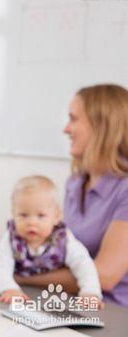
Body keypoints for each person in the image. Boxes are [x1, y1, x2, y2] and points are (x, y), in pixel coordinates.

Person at [12, 84, 128, 308]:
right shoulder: (75, 182)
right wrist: (16, 254)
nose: (66, 129)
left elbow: (104, 277)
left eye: (74, 119)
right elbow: (61, 249)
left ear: (102, 126)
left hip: (113, 312)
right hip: (69, 304)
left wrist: (21, 276)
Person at [0, 175, 102, 305]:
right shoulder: (11, 237)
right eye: (23, 215)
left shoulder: (64, 238)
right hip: (20, 290)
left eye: (41, 216)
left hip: (51, 295)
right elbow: (0, 266)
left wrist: (90, 292)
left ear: (56, 216)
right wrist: (9, 288)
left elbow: (83, 264)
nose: (31, 222)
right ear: (13, 214)